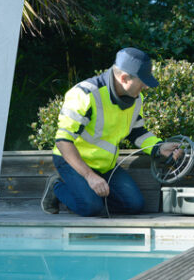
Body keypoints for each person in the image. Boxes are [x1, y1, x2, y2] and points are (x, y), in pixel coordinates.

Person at [41, 47, 180, 217]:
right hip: (73, 163)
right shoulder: (84, 95)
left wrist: (158, 147)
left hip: (106, 166)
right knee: (90, 208)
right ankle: (57, 186)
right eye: (142, 81)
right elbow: (63, 142)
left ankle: (86, 196)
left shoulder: (137, 100)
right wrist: (89, 176)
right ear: (124, 78)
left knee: (134, 205)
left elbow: (137, 132)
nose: (145, 86)